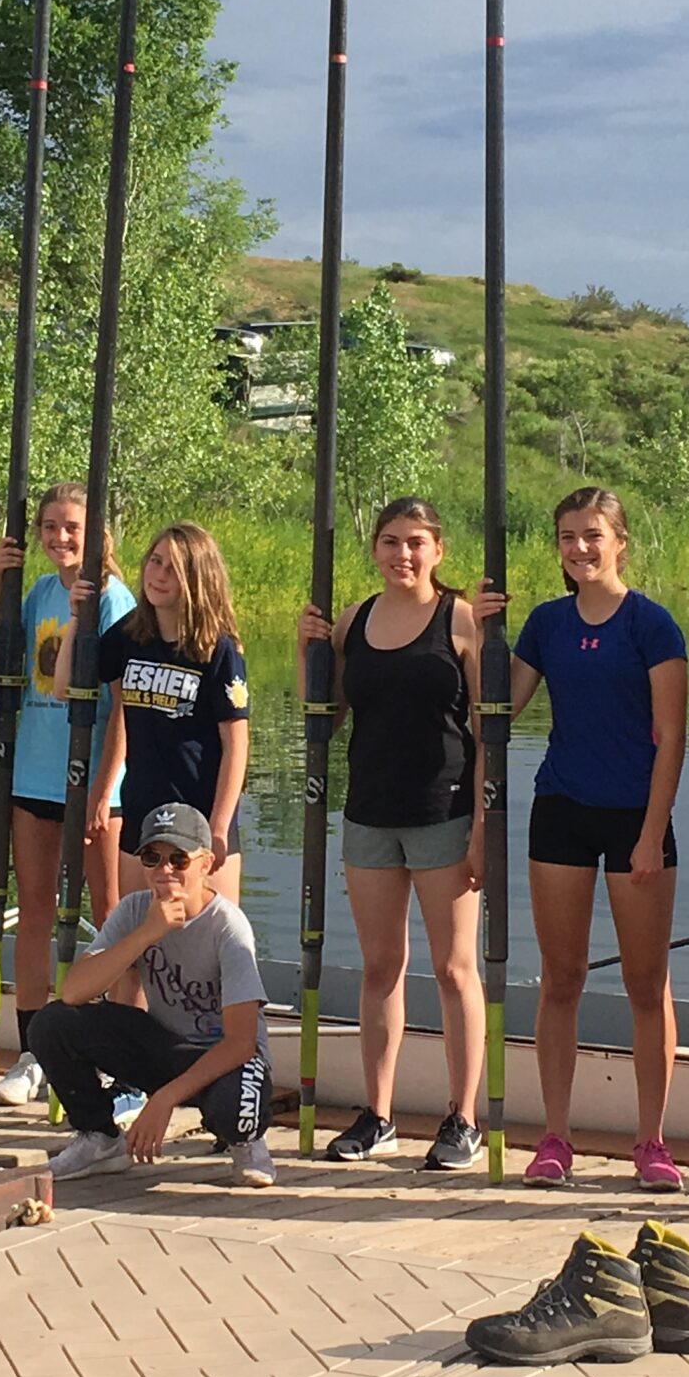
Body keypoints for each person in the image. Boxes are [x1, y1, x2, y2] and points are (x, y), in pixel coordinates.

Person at [484, 487, 689, 1191]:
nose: (580, 549)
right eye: (568, 537)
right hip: (562, 810)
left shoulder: (652, 626)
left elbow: (672, 738)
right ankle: (555, 1137)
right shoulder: (545, 624)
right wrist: (475, 638)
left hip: (636, 818)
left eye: (592, 536)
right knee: (562, 978)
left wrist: (651, 831)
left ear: (620, 541)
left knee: (644, 983)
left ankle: (652, 1142)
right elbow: (497, 710)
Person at [297, 496, 487, 1171]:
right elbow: (326, 714)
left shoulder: (461, 620)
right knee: (381, 967)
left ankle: (463, 1117)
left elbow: (490, 728)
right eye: (390, 542)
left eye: (415, 543)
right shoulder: (355, 619)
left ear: (437, 551)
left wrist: (483, 826)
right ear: (374, 549)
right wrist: (305, 652)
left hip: (444, 814)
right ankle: (378, 1115)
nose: (402, 555)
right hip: (370, 815)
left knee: (453, 968)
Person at [0, 484, 135, 1108]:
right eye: (49, 527)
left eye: (72, 528)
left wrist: (103, 789)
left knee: (114, 919)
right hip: (33, 778)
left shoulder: (114, 599)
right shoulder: (39, 593)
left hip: (96, 786)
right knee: (35, 913)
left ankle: (119, 1059)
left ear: (96, 535)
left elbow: (122, 706)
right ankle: (35, 1051)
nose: (59, 538)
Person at [31, 802, 275, 1188]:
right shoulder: (134, 911)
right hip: (166, 1046)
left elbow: (242, 1042)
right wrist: (147, 933)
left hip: (226, 1057)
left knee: (237, 1115)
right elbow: (74, 991)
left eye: (178, 859)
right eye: (151, 858)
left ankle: (247, 1142)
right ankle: (99, 1138)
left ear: (206, 864)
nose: (164, 871)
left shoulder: (228, 927)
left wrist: (163, 1099)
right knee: (52, 1022)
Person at [58, 522, 251, 903]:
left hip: (200, 818)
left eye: (173, 569)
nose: (158, 576)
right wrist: (78, 620)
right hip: (143, 815)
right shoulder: (130, 636)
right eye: (155, 561)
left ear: (197, 580)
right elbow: (65, 687)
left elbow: (236, 745)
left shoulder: (217, 649)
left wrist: (220, 826)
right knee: (140, 944)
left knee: (211, 946)